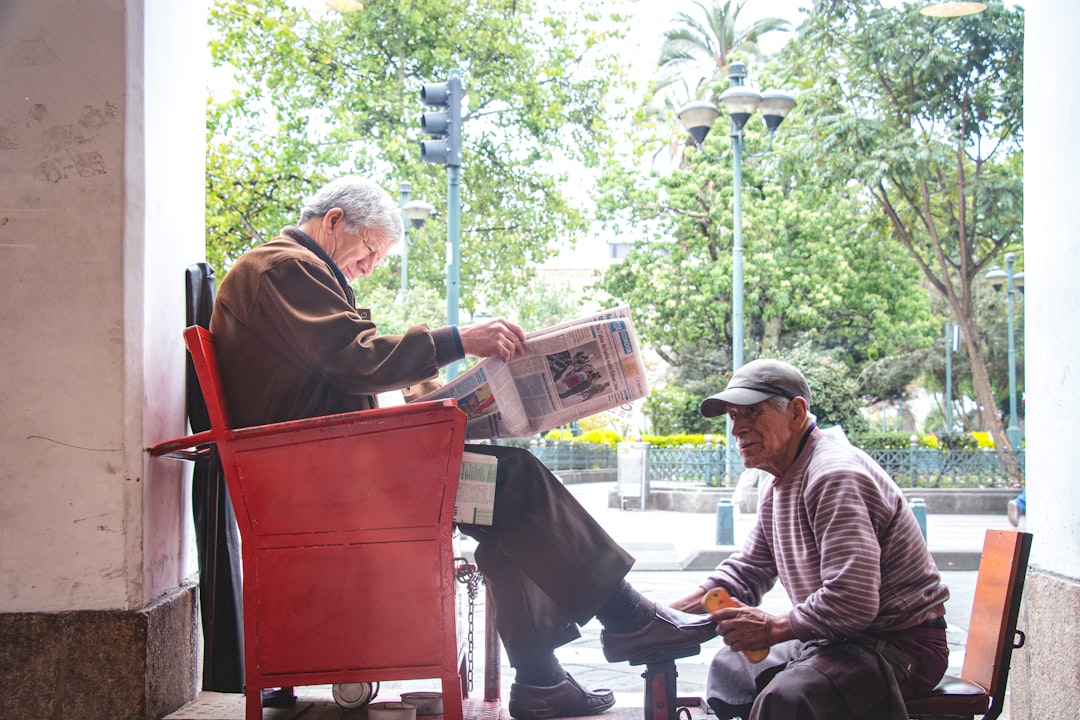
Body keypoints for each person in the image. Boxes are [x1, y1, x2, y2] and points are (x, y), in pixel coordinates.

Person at [208, 175, 717, 719]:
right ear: (334, 220)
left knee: (505, 508)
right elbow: (353, 359)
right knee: (513, 482)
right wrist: (459, 339)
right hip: (320, 479)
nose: (370, 266)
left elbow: (343, 369)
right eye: (371, 250)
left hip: (322, 467)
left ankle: (543, 681)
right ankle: (625, 619)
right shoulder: (283, 267)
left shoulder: (294, 271)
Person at [670, 359, 950, 720]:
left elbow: (851, 603)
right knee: (731, 669)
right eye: (734, 416)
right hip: (838, 639)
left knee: (788, 698)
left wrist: (772, 628)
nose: (738, 428)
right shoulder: (777, 480)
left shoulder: (834, 475)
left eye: (752, 412)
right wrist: (667, 617)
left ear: (796, 412)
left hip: (899, 646)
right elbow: (748, 570)